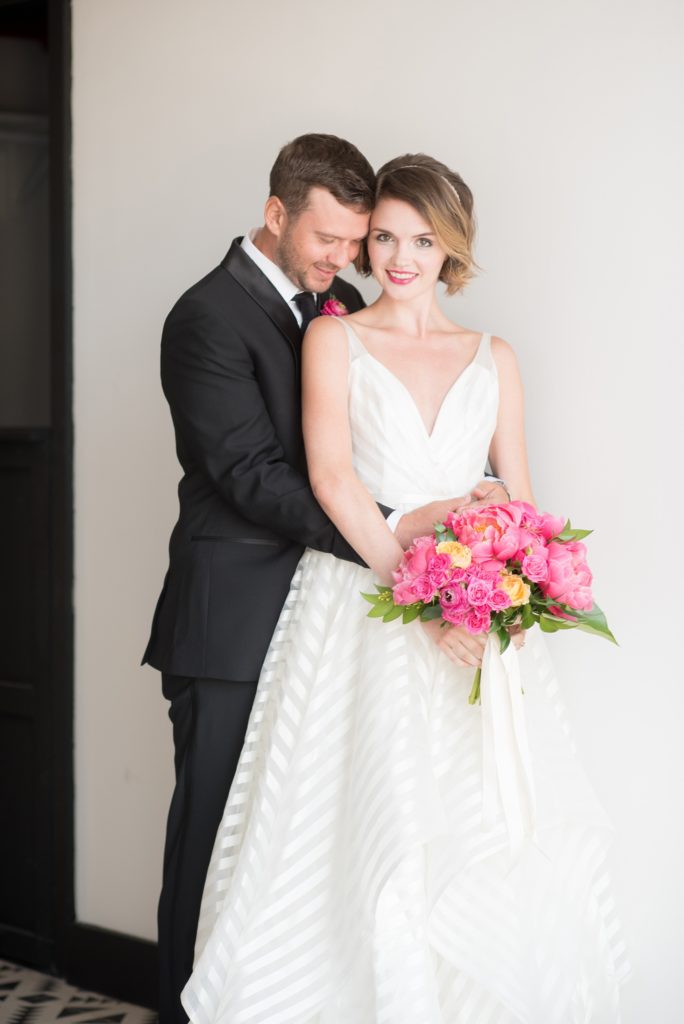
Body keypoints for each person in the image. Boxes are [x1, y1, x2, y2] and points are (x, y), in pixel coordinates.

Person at [181, 154, 629, 1023]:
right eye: (382, 236)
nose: (398, 256)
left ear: (451, 248)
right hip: (363, 609)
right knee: (351, 829)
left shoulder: (494, 356)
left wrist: (513, 600)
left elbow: (521, 500)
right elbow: (334, 481)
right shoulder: (334, 336)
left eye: (421, 240)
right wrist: (423, 600)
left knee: (479, 831)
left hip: (476, 631)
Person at [142, 135, 508, 1024]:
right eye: (330, 240)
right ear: (276, 216)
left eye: (359, 241)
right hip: (231, 618)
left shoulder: (335, 307)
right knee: (213, 845)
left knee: (295, 855)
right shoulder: (205, 318)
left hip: (327, 617)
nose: (348, 261)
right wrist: (401, 526)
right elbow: (255, 477)